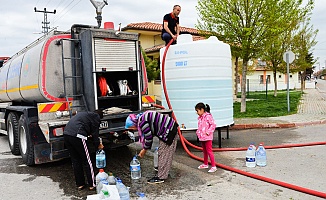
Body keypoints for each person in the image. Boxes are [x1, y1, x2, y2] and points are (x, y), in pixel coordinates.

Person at [125, 111, 178, 184]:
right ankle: (163, 172)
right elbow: (149, 133)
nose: (133, 130)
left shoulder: (142, 123)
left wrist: (144, 150)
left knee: (164, 154)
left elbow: (149, 138)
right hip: (169, 127)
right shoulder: (142, 118)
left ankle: (161, 177)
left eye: (131, 128)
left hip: (169, 131)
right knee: (164, 152)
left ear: (134, 124)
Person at [63, 110, 104, 191]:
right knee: (87, 160)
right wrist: (98, 145)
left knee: (75, 160)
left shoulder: (84, 114)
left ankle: (80, 184)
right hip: (78, 135)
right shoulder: (96, 117)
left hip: (67, 134)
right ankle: (92, 184)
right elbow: (95, 135)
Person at [195, 102, 217, 173]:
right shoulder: (200, 118)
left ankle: (213, 166)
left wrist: (208, 132)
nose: (197, 112)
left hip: (207, 137)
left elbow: (213, 125)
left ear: (202, 109)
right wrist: (198, 132)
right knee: (204, 151)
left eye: (197, 110)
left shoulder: (208, 116)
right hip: (202, 137)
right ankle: (205, 163)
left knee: (209, 151)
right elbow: (200, 126)